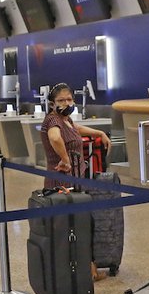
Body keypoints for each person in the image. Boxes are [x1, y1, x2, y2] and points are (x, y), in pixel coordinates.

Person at [40, 82, 112, 281]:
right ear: (52, 103)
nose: (67, 103)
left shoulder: (66, 120)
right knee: (70, 227)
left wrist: (99, 133)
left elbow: (76, 130)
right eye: (61, 100)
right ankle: (80, 271)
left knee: (80, 224)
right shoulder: (52, 120)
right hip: (62, 184)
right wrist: (64, 160)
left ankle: (88, 268)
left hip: (76, 182)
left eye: (69, 99)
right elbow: (55, 138)